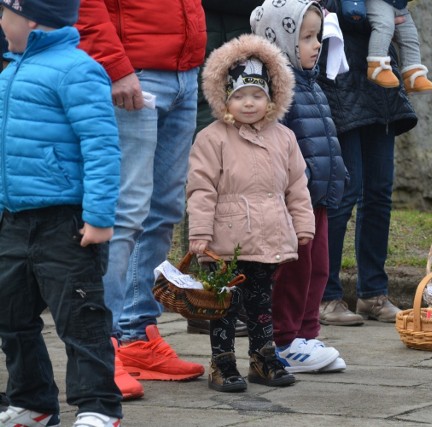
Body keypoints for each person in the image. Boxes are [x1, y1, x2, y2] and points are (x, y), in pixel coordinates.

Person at [75, 0, 207, 401]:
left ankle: (137, 337)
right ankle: (102, 347)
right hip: (133, 74)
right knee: (122, 212)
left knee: (163, 209)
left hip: (184, 73)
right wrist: (115, 66)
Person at [0, 0, 123, 425]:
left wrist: (101, 217)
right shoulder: (10, 71)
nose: (0, 21)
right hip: (14, 220)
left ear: (31, 18)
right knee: (11, 317)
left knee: (80, 318)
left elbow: (101, 146)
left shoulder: (77, 68)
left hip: (66, 222)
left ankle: (98, 407)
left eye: (3, 12)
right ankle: (33, 403)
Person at [187, 33, 316, 392]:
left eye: (257, 95)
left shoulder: (284, 138)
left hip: (267, 236)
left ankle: (263, 356)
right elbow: (200, 189)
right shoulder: (211, 138)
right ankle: (223, 362)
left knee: (261, 302)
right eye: (239, 95)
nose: (248, 103)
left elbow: (296, 185)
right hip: (224, 240)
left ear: (271, 98)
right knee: (225, 305)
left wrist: (302, 224)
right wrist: (199, 234)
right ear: (224, 98)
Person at [251, 0, 349, 373]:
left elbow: (323, 138)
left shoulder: (312, 84)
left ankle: (307, 333)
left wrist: (336, 173)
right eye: (306, 38)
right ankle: (284, 338)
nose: (316, 46)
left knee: (318, 267)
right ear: (282, 39)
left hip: (319, 196)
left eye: (318, 38)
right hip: (294, 200)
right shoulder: (279, 92)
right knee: (294, 270)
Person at [315, 0, 417, 326]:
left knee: (379, 192)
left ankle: (373, 294)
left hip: (378, 81)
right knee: (345, 189)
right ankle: (326, 297)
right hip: (339, 77)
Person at [186, 0, 265, 338]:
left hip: (247, 56)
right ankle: (206, 298)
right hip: (205, 59)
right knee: (208, 187)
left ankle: (232, 297)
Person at [340, 0, 432, 92]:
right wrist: (354, 6)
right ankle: (377, 67)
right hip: (376, 4)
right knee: (385, 25)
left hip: (398, 4)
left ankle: (413, 74)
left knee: (410, 33)